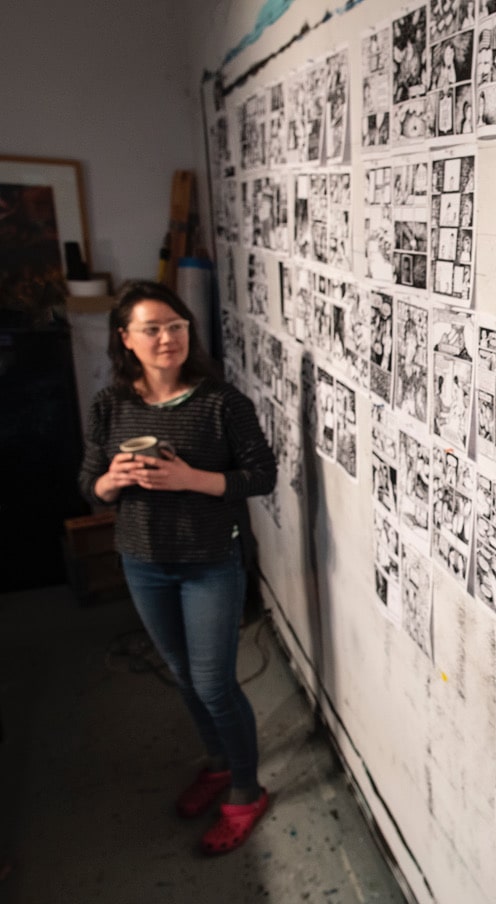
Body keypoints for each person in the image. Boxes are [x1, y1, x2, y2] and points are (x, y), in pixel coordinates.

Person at [79, 281, 276, 855]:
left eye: (176, 326)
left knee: (214, 683)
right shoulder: (109, 405)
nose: (167, 338)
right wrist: (111, 480)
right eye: (152, 329)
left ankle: (246, 791)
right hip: (143, 561)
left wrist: (190, 478)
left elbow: (261, 475)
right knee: (184, 676)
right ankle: (218, 762)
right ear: (126, 339)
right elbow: (88, 485)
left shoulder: (222, 403)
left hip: (210, 561)